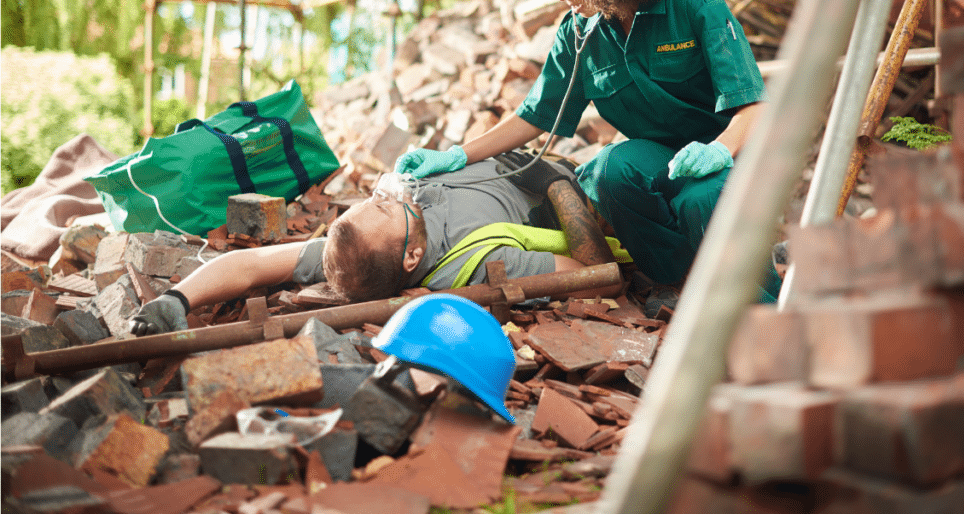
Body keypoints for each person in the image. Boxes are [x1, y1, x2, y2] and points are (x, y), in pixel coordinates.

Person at [396, 0, 780, 307]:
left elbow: (754, 107)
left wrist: (719, 150)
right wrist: (456, 155)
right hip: (659, 155)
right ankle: (679, 283)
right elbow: (535, 115)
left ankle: (764, 307)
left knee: (699, 200)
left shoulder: (693, 5)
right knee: (605, 173)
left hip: (725, 151)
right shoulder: (578, 33)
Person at [130, 156, 626, 336]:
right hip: (565, 177)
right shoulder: (478, 264)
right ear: (411, 257)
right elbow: (595, 276)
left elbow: (252, 262)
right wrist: (559, 183)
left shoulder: (350, 254)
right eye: (387, 207)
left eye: (373, 200)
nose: (390, 196)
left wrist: (176, 299)